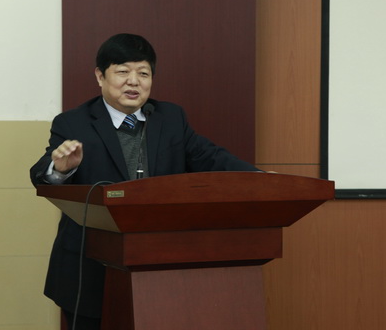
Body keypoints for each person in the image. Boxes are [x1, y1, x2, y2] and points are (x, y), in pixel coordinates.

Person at [30, 33, 258, 329]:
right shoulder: (73, 123)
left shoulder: (170, 118)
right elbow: (41, 175)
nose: (133, 81)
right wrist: (60, 169)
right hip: (90, 268)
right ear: (100, 76)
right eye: (123, 71)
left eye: (143, 73)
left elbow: (210, 157)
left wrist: (260, 179)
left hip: (159, 267)